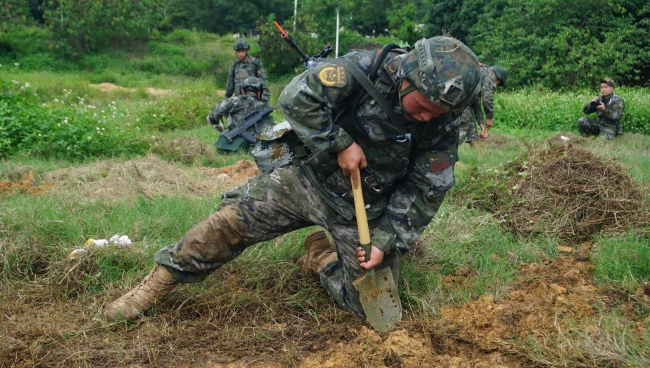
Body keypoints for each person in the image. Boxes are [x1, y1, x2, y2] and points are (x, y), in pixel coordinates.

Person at [104, 36, 483, 326]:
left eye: (439, 113)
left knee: (371, 312)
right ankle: (156, 284)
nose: (427, 118)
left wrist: (385, 239)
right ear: (407, 77)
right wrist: (340, 143)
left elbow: (427, 188)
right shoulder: (360, 70)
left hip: (364, 208)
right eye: (422, 107)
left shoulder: (444, 122)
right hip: (305, 182)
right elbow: (297, 98)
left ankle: (319, 255)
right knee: (230, 223)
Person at [209, 77, 275, 153]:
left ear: (243, 91)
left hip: (235, 144)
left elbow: (212, 117)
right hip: (259, 147)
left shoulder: (233, 101)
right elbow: (271, 128)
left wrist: (218, 125)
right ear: (259, 92)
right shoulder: (265, 106)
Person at [458, 64, 506, 145]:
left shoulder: (480, 74)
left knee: (471, 124)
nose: (496, 85)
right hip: (458, 96)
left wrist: (482, 126)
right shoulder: (490, 76)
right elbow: (487, 99)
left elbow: (476, 105)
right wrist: (489, 117)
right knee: (465, 124)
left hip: (459, 96)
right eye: (498, 83)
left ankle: (476, 150)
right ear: (497, 78)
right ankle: (447, 152)